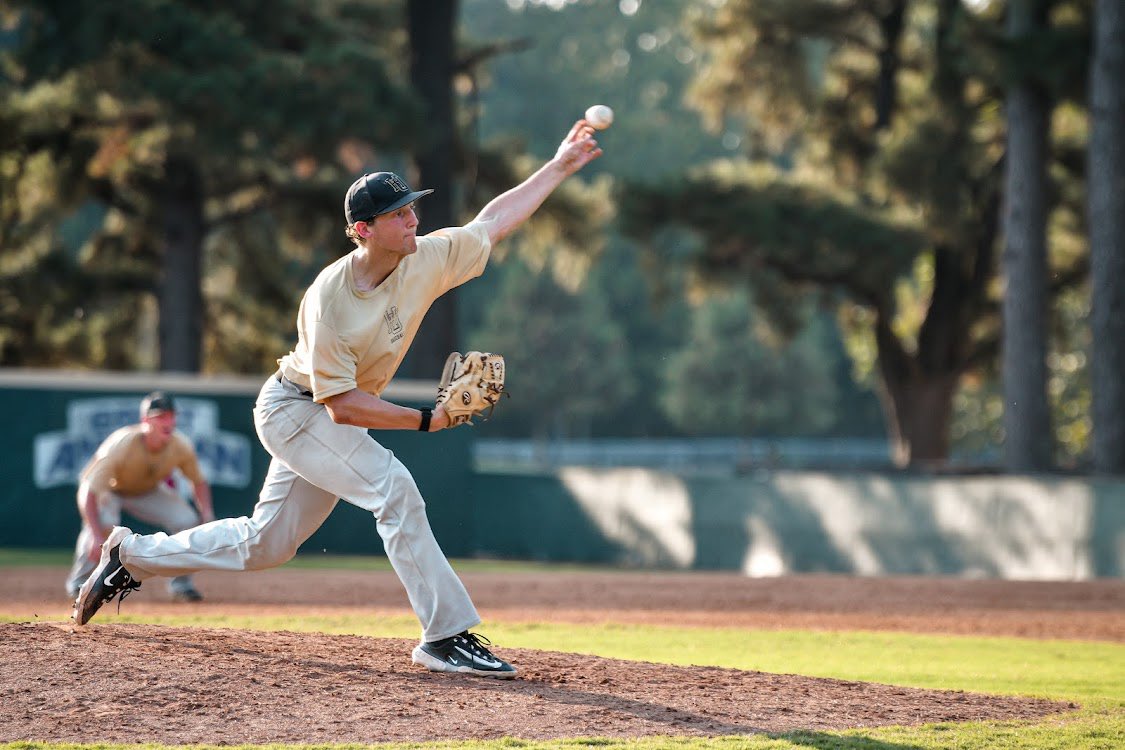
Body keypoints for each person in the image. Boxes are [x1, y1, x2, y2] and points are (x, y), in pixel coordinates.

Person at [73, 118, 603, 679]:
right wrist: (428, 420)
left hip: (326, 415)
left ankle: (130, 555)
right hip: (294, 409)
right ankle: (446, 635)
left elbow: (491, 222)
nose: (413, 220)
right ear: (362, 230)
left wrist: (559, 166)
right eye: (398, 213)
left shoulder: (423, 256)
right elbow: (343, 408)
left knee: (265, 545)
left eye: (411, 208)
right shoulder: (329, 298)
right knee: (395, 490)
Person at [66, 391, 214, 603]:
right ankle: (79, 583)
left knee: (188, 521)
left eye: (171, 415)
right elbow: (88, 491)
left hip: (148, 491)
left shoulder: (180, 445)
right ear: (145, 420)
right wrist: (97, 534)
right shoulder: (122, 444)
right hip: (112, 490)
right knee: (103, 524)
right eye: (161, 416)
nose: (168, 421)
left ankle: (181, 586)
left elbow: (199, 481)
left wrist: (207, 512)